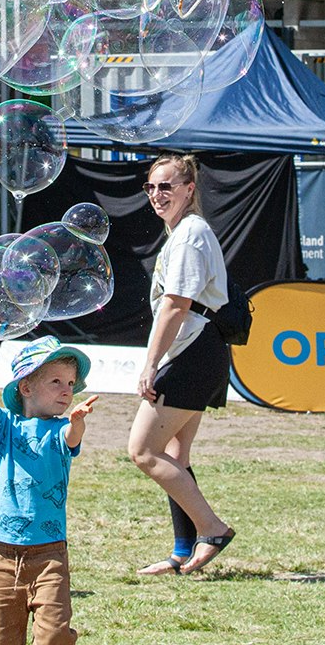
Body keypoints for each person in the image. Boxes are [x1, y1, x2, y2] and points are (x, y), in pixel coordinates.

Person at [129, 153, 234, 576]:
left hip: (193, 351)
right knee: (175, 453)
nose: (157, 194)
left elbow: (175, 306)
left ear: (190, 190)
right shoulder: (183, 233)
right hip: (198, 349)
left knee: (142, 450)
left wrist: (150, 364)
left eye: (167, 186)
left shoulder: (190, 234)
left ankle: (212, 528)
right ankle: (181, 551)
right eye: (151, 187)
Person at [0, 314, 96, 645]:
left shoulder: (59, 430)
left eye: (71, 384)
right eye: (56, 382)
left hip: (49, 555)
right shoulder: (6, 429)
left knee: (53, 635)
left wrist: (78, 421)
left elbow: (71, 436)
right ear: (26, 387)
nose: (67, 391)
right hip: (1, 555)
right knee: (0, 639)